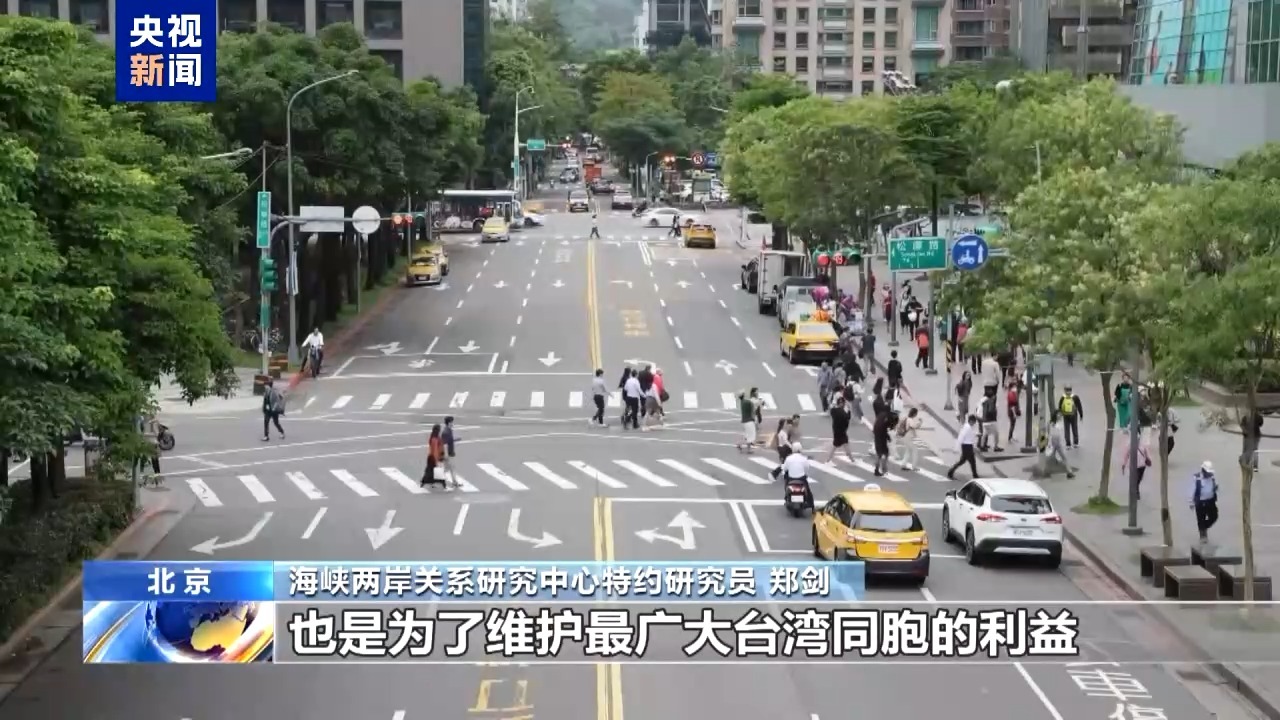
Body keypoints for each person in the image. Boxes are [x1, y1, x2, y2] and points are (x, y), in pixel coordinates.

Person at [1190, 461, 1219, 543]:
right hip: (1200, 503)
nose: (1209, 474)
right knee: (1201, 519)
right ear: (1203, 470)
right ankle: (1203, 535)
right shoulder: (1197, 478)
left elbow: (1214, 486)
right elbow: (1192, 490)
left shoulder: (1212, 477)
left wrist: (1216, 489)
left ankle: (1203, 527)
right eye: (1208, 472)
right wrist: (1191, 502)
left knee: (1214, 517)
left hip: (1211, 501)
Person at [780, 442, 814, 507]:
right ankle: (811, 505)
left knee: (786, 480)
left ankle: (786, 497)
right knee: (808, 491)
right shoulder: (804, 458)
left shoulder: (788, 458)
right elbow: (807, 468)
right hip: (801, 479)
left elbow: (785, 469)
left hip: (791, 479)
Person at [947, 415, 980, 480]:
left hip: (967, 446)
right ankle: (950, 472)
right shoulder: (967, 428)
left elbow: (970, 434)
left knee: (969, 461)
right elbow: (961, 437)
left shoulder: (967, 427)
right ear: (971, 421)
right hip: (967, 446)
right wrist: (956, 447)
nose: (974, 424)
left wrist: (976, 434)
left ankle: (975, 475)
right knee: (967, 461)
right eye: (974, 422)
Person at [1120, 433, 1152, 498]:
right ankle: (1136, 492)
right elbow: (1126, 456)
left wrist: (1149, 460)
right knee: (1135, 479)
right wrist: (1124, 464)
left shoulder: (1143, 446)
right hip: (1133, 465)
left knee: (1139, 478)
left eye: (1138, 439)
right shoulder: (1129, 446)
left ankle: (1135, 489)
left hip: (1142, 465)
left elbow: (1147, 454)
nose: (1137, 440)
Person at [825, 396, 856, 464]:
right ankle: (852, 459)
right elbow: (848, 419)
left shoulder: (834, 411)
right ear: (843, 404)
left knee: (837, 445)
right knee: (844, 444)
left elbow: (831, 409)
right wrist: (849, 410)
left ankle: (851, 459)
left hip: (836, 431)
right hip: (842, 432)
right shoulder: (844, 413)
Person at [736, 387, 765, 453]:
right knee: (751, 435)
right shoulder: (747, 402)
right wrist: (760, 402)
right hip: (749, 420)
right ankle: (748, 449)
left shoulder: (743, 402)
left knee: (748, 434)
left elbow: (754, 404)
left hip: (746, 420)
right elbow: (754, 404)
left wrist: (759, 402)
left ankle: (740, 444)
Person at [420, 424, 447, 488]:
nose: (440, 430)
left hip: (434, 457)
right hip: (434, 458)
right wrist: (436, 460)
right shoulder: (434, 439)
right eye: (439, 429)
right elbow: (435, 450)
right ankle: (443, 484)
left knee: (430, 471)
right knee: (437, 471)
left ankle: (426, 482)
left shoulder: (436, 437)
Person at [261, 377, 285, 442]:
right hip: (268, 410)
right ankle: (266, 436)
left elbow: (277, 401)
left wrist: (274, 409)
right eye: (265, 386)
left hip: (273, 410)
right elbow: (265, 401)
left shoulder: (273, 392)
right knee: (266, 422)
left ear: (269, 386)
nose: (265, 387)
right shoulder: (266, 392)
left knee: (276, 422)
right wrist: (264, 409)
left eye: (266, 385)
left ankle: (282, 432)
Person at [440, 416, 460, 489]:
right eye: (452, 422)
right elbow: (444, 444)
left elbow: (449, 441)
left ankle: (455, 482)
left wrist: (455, 439)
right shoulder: (446, 432)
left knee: (450, 468)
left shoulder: (449, 430)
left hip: (450, 452)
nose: (453, 423)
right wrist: (445, 455)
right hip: (448, 453)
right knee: (448, 469)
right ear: (449, 423)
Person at [871, 410, 893, 477]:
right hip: (882, 440)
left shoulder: (879, 418)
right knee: (885, 454)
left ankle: (877, 469)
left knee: (879, 454)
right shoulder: (886, 419)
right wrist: (888, 437)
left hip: (877, 439)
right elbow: (885, 430)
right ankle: (884, 468)